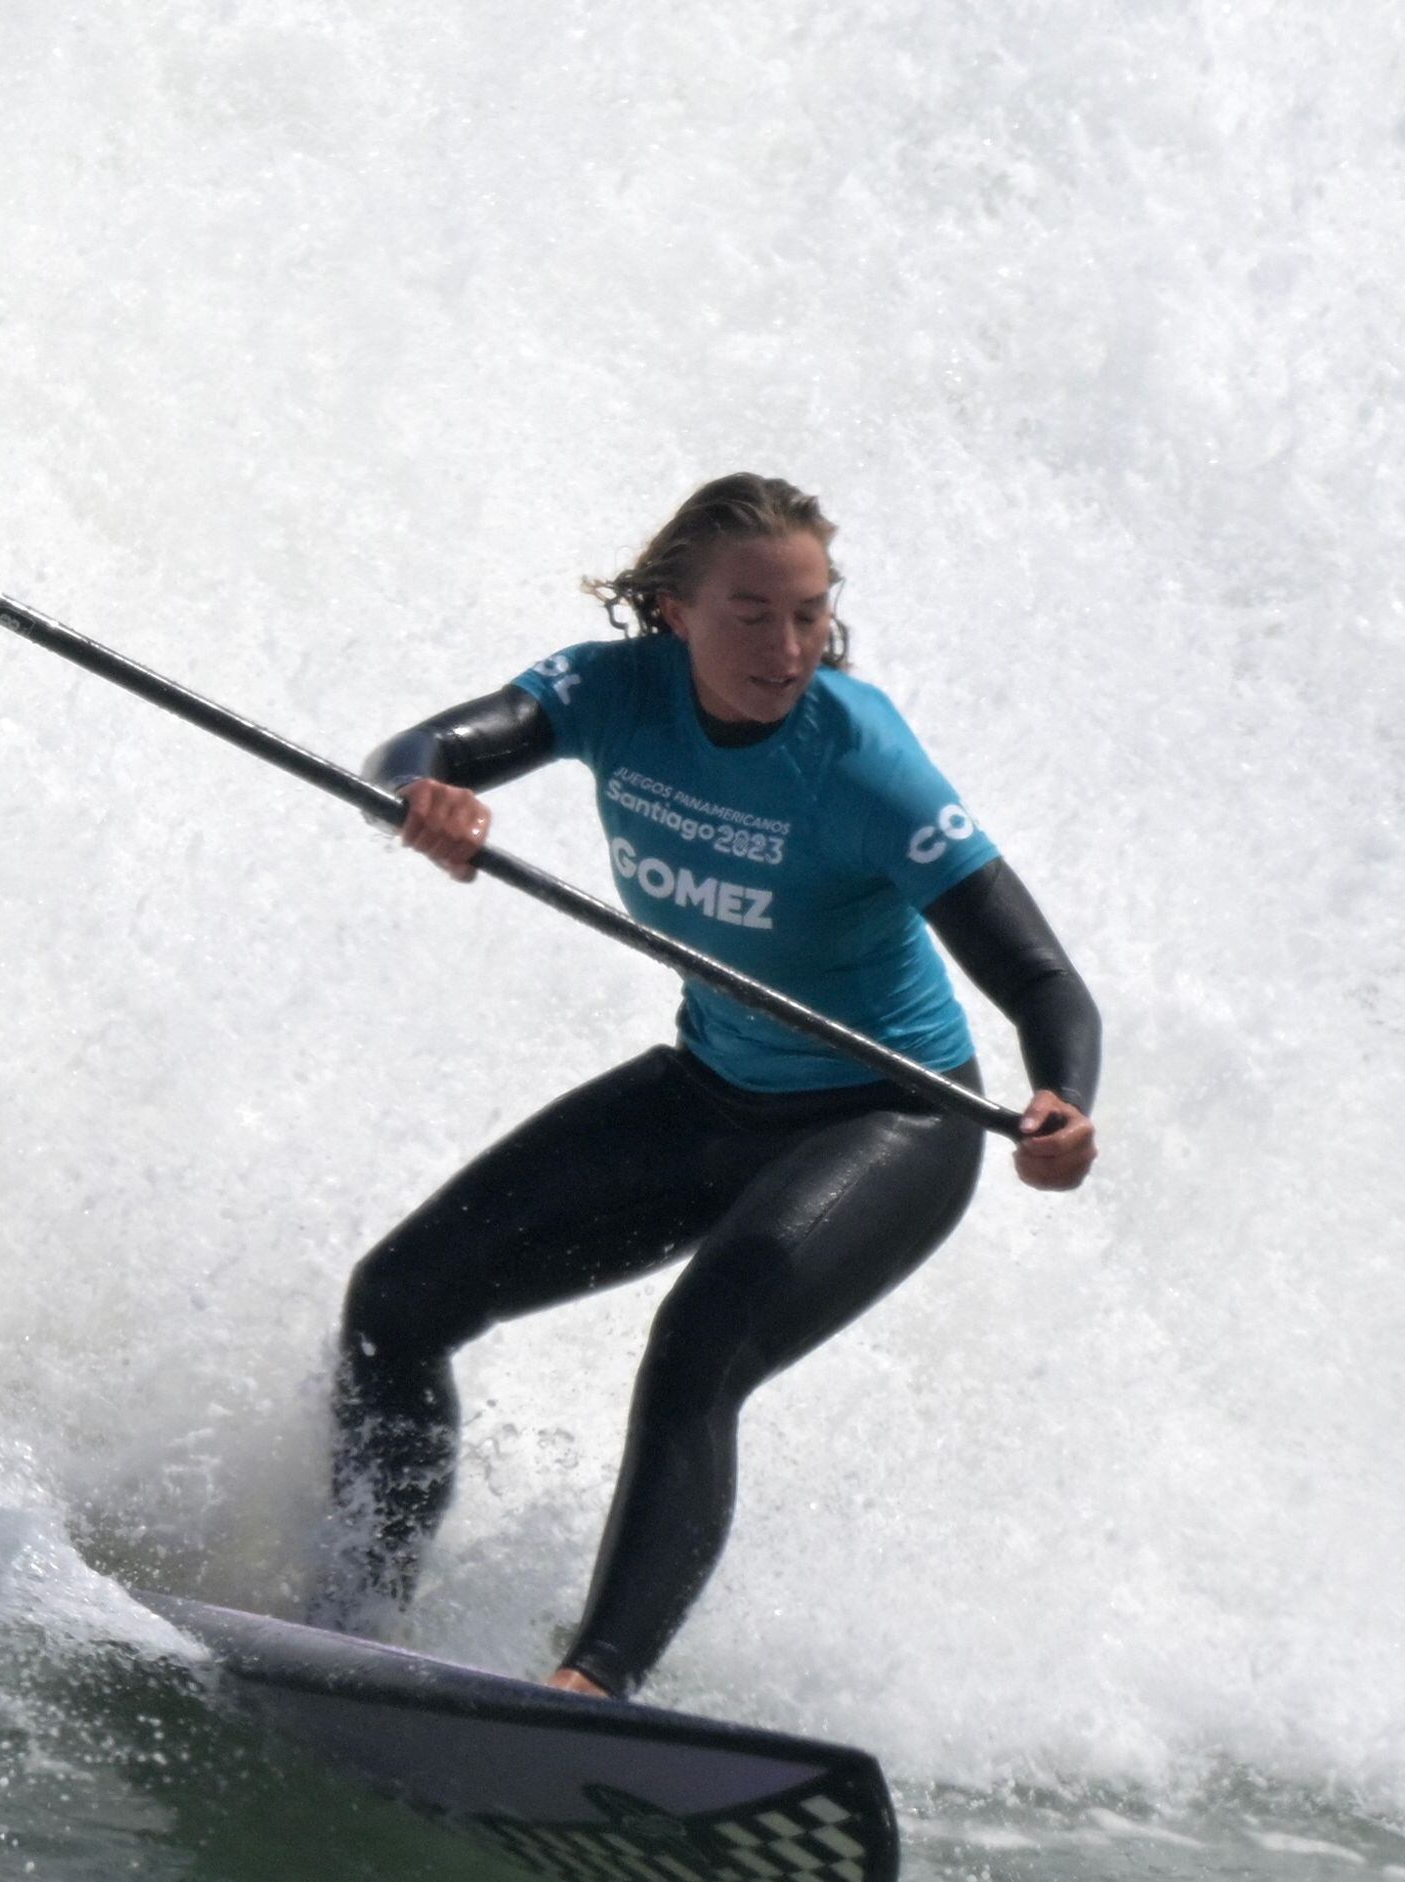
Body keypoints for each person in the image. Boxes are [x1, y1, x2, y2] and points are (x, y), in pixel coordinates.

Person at [314, 472, 1101, 1699]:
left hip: (891, 1118)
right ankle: (348, 1624)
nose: (785, 649)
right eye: (750, 615)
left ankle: (593, 1688)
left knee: (697, 1351)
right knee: (397, 1300)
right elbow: (416, 752)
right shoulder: (610, 692)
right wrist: (425, 796)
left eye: (809, 616)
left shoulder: (860, 759)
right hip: (711, 1090)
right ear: (677, 611)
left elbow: (1044, 980)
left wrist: (1063, 1101)